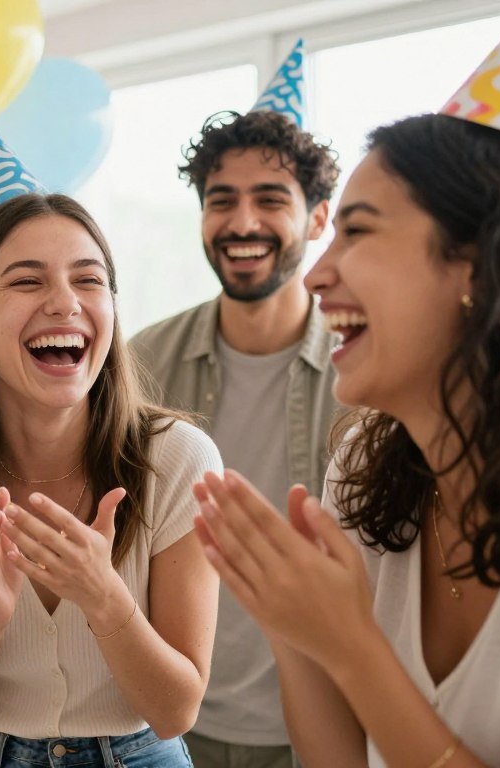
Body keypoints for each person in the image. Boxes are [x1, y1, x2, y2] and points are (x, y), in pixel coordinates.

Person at [193, 113, 500, 767]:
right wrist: (292, 625)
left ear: (477, 266)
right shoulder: (364, 466)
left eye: (359, 230)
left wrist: (347, 642)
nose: (316, 277)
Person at [0, 192, 223, 768]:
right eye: (27, 282)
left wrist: (102, 595)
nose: (65, 303)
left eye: (89, 280)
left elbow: (175, 712)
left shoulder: (179, 460)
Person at [129, 108, 341, 766]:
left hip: (317, 728)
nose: (243, 223)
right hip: (164, 725)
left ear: (317, 220)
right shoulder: (142, 364)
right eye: (222, 201)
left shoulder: (365, 370)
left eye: (270, 200)